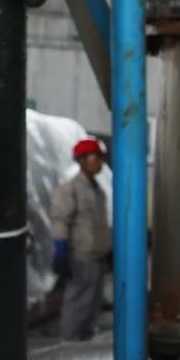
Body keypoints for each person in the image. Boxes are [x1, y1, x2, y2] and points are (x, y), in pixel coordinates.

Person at [51, 137, 111, 341]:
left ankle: (83, 344)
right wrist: (60, 250)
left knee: (92, 306)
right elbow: (61, 220)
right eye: (97, 157)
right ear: (83, 160)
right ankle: (68, 344)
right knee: (77, 304)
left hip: (96, 257)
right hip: (80, 257)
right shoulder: (70, 189)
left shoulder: (97, 189)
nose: (100, 162)